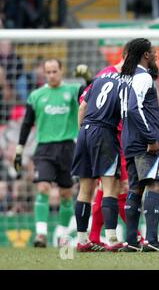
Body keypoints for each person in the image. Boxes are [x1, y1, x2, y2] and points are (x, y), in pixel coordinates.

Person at [14, 59, 84, 247]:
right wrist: (19, 148)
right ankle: (41, 235)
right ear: (45, 73)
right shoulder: (36, 95)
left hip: (68, 147)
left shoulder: (72, 91)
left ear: (61, 71)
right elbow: (27, 123)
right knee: (43, 187)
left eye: (55, 71)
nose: (52, 75)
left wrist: (86, 77)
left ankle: (62, 235)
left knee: (66, 194)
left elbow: (92, 91)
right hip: (44, 148)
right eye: (48, 72)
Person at [119, 38, 159, 252]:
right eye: (153, 52)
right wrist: (151, 138)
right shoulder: (143, 77)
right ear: (145, 55)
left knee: (135, 188)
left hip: (129, 140)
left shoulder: (127, 78)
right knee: (155, 185)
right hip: (144, 142)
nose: (156, 56)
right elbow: (135, 109)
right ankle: (152, 241)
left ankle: (131, 242)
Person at [71, 66, 126, 252]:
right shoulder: (124, 83)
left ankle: (82, 240)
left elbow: (82, 107)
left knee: (84, 190)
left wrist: (82, 134)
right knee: (110, 187)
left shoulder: (99, 79)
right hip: (104, 134)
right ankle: (111, 239)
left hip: (84, 132)